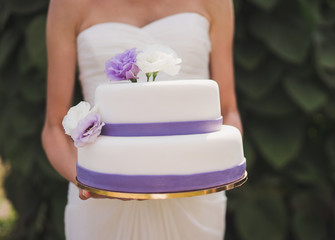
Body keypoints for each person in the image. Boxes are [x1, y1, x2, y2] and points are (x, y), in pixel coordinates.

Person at [42, 0, 242, 239]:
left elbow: (228, 110)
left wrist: (216, 168)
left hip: (196, 198)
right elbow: (54, 127)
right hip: (102, 204)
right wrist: (89, 182)